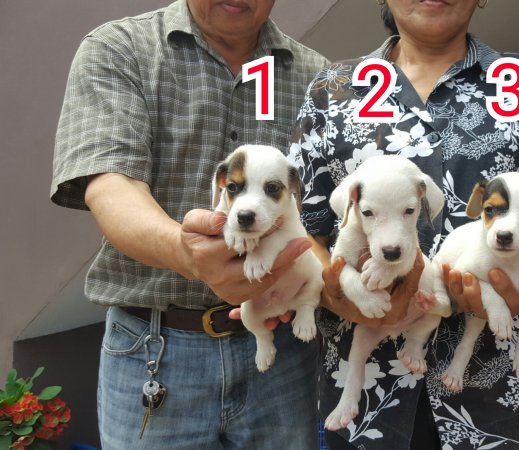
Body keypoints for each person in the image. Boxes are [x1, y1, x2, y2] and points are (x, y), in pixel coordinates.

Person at [288, 0, 519, 449]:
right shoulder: (333, 91)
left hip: (509, 396)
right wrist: (339, 293)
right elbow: (304, 227)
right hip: (367, 395)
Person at [49, 1, 329, 448]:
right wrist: (185, 253)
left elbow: (326, 210)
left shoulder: (318, 78)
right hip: (155, 344)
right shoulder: (122, 48)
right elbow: (110, 185)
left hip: (283, 346)